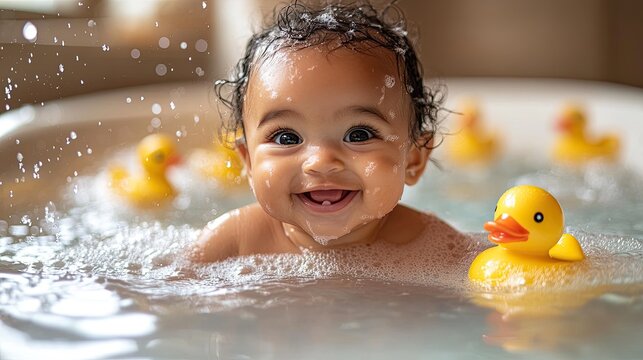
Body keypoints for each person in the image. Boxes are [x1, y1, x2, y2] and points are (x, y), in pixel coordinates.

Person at [190, 1, 454, 263]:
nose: (321, 162)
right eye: (287, 138)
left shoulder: (437, 248)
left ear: (413, 159)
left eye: (359, 135)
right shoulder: (230, 245)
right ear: (248, 161)